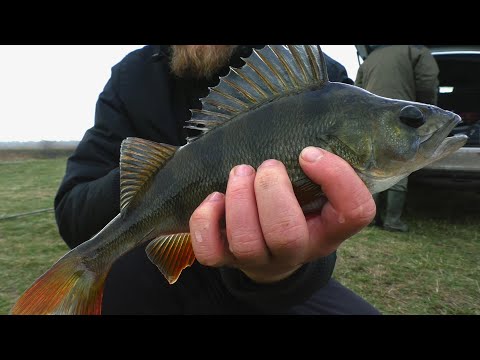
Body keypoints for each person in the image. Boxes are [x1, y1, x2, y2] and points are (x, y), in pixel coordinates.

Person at [54, 45, 380, 315]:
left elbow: (323, 229)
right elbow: (73, 211)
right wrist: (157, 179)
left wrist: (282, 271)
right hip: (153, 273)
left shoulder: (317, 77)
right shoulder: (131, 76)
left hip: (277, 291)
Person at [355, 45, 439, 232]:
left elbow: (357, 88)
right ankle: (393, 220)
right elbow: (427, 80)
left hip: (370, 119)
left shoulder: (371, 57)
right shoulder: (415, 50)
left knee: (370, 163)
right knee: (398, 161)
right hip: (402, 117)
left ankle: (370, 217)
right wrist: (426, 111)